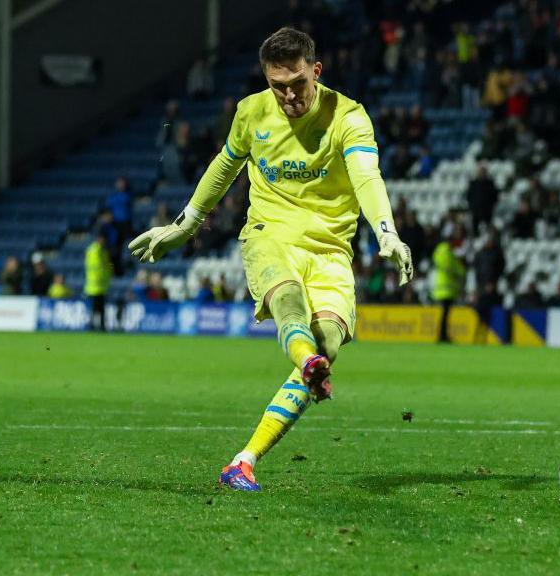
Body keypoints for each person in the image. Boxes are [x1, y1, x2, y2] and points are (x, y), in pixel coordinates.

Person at [128, 27, 413, 492]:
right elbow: (224, 166)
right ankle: (307, 362)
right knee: (288, 304)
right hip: (270, 235)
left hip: (331, 251)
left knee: (330, 344)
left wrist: (387, 231)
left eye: (296, 83)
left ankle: (244, 460)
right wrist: (184, 225)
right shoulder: (252, 112)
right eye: (276, 85)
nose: (287, 95)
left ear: (315, 72)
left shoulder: (348, 116)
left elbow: (367, 176)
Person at [430, 228, 466, 343]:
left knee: (445, 314)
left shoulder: (441, 251)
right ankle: (442, 336)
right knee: (445, 315)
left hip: (443, 288)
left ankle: (443, 335)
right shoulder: (446, 251)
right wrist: (461, 271)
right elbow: (450, 267)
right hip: (446, 288)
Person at [85, 233, 112, 332]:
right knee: (94, 308)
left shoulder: (102, 251)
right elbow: (97, 267)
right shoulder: (95, 250)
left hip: (102, 286)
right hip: (94, 286)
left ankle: (101, 326)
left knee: (101, 308)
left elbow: (106, 267)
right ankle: (92, 325)